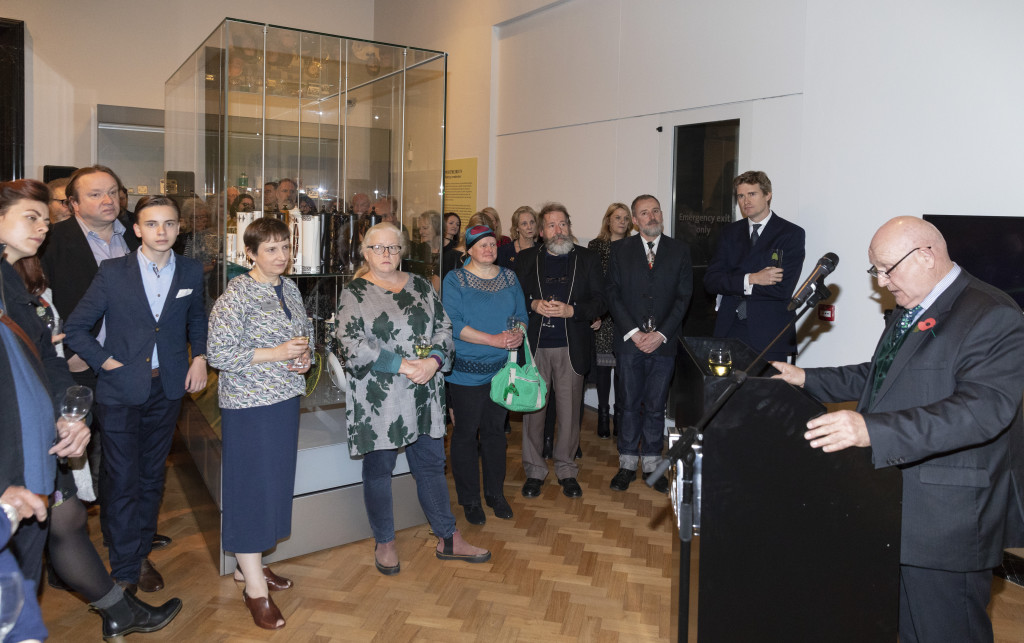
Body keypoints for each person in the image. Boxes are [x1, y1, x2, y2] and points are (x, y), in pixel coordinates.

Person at [771, 216, 1024, 643]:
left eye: (888, 268)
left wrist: (872, 429)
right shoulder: (914, 306)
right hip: (899, 505)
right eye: (876, 271)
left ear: (926, 256)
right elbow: (881, 375)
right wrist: (806, 378)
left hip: (947, 521)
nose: (882, 281)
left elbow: (982, 411)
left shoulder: (992, 313)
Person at [0, 179, 181, 639]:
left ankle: (118, 609)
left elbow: (46, 353)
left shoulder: (16, 276)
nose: (43, 227)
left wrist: (70, 413)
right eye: (31, 217)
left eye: (45, 218)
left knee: (66, 518)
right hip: (12, 447)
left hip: (43, 432)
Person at [65, 195, 208, 595]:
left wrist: (200, 358)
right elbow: (76, 329)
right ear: (137, 229)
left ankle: (140, 551)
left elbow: (197, 317)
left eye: (169, 224)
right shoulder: (113, 272)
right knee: (123, 478)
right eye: (152, 224)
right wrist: (107, 363)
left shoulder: (191, 271)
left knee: (150, 476)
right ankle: (125, 568)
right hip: (120, 391)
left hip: (168, 387)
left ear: (180, 229)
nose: (161, 231)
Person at [338, 223, 491, 571]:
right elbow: (352, 345)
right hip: (381, 397)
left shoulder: (422, 286)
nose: (386, 254)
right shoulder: (354, 293)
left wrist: (434, 361)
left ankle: (448, 537)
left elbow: (444, 327)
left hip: (424, 391)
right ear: (366, 253)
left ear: (402, 251)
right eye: (378, 248)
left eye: (392, 248)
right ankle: (385, 541)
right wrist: (405, 365)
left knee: (432, 465)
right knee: (379, 469)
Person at [207, 217, 310, 630]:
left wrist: (304, 359)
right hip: (249, 407)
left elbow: (303, 338)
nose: (281, 255)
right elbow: (219, 353)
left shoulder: (290, 288)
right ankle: (254, 590)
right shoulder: (237, 294)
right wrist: (279, 352)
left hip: (284, 401)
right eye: (270, 249)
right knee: (251, 490)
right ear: (249, 253)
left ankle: (245, 567)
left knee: (274, 486)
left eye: (285, 246)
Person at [40, 165, 142, 508]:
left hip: (128, 361)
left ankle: (122, 529)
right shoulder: (52, 242)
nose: (108, 200)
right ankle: (71, 533)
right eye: (95, 194)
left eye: (112, 191)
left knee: (123, 451)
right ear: (73, 204)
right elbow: (43, 305)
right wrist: (69, 351)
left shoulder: (134, 237)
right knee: (75, 452)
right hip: (79, 363)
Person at [515, 204, 605, 499]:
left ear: (569, 226)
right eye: (551, 225)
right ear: (541, 232)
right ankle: (534, 470)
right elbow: (513, 298)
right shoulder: (527, 259)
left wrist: (573, 310)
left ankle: (567, 469)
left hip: (571, 347)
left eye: (563, 224)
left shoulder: (587, 259)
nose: (558, 230)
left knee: (569, 413)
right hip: (536, 345)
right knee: (534, 411)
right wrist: (532, 304)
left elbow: (601, 302)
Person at [606, 194, 692, 493]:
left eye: (656, 211)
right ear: (635, 220)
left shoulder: (679, 251)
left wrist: (661, 334)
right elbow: (613, 295)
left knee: (656, 405)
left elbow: (684, 297)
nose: (652, 216)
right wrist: (634, 332)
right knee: (628, 404)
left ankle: (653, 464)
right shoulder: (619, 250)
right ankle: (627, 463)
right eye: (645, 213)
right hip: (630, 343)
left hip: (664, 343)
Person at [442, 224, 526, 523]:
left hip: (502, 370)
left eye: (492, 244)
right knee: (465, 434)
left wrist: (517, 334)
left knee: (495, 434)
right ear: (469, 250)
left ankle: (495, 494)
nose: (488, 249)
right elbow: (453, 323)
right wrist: (493, 339)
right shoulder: (456, 279)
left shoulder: (509, 276)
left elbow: (522, 316)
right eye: (482, 245)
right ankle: (470, 501)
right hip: (466, 371)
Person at [704, 171, 805, 361]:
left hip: (770, 333)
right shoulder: (729, 232)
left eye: (752, 194)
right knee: (727, 390)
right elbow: (711, 281)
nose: (745, 201)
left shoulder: (790, 234)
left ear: (768, 195)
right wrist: (751, 279)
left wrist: (733, 282)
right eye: (741, 196)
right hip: (729, 328)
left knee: (766, 390)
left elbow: (782, 289)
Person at [587, 202, 632, 438]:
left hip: (627, 316)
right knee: (604, 369)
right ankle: (603, 416)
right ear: (608, 221)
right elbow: (592, 283)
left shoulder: (635, 246)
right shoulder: (595, 247)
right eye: (618, 217)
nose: (622, 222)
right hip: (603, 315)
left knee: (624, 370)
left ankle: (621, 417)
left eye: (626, 218)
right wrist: (596, 312)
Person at [497, 205, 538, 269]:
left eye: (532, 222)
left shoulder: (542, 250)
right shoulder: (504, 251)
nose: (529, 227)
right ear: (517, 228)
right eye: (524, 224)